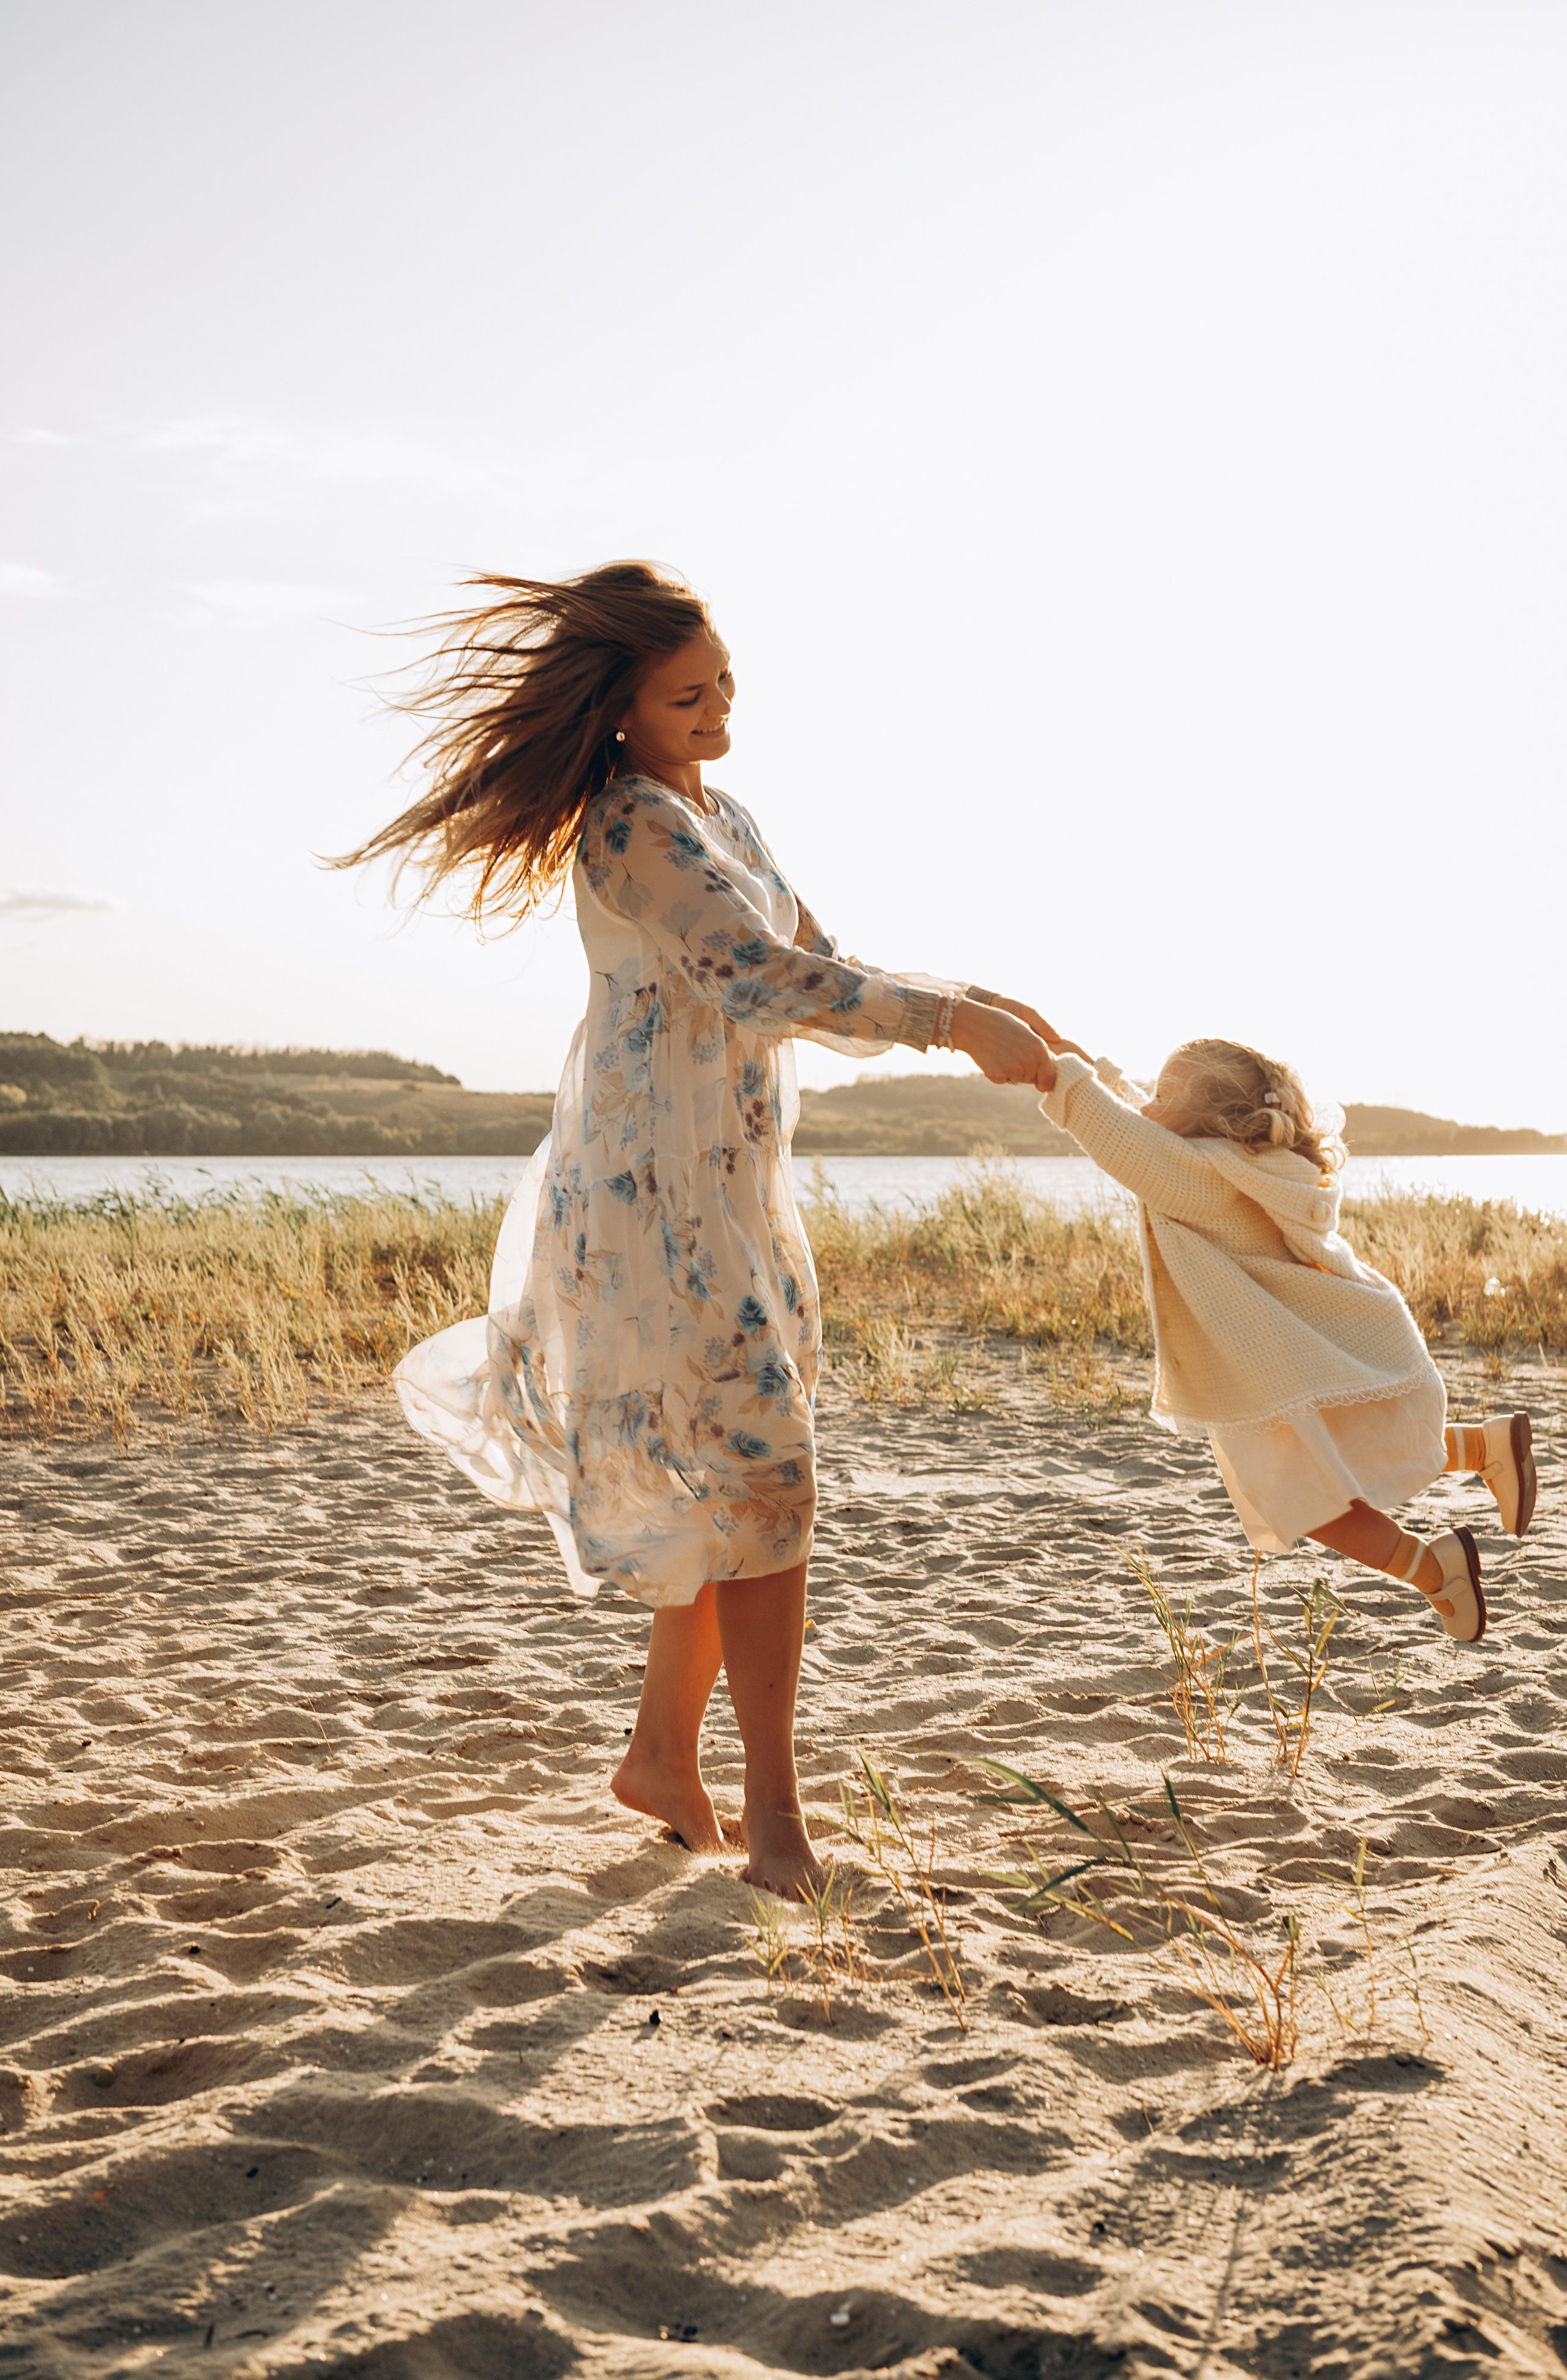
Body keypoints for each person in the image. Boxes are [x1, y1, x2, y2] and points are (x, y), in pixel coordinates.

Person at [337, 561, 1055, 1897]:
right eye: (687, 693)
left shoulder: (725, 815)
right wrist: (956, 1027)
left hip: (733, 1191)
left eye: (725, 682)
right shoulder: (629, 829)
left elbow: (818, 964)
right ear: (618, 707)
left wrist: (969, 996)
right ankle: (777, 1818)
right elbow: (755, 976)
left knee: (735, 1488)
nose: (718, 707)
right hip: (651, 1201)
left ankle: (661, 1757)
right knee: (774, 1488)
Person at [1033, 1035, 1537, 1641]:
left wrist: (1052, 1073)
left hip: (1262, 1371)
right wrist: (1079, 1061)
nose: (1149, 1102)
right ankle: (1484, 1449)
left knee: (1303, 1502)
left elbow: (1113, 1131)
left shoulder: (1190, 1174)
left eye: (1166, 1093)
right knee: (1348, 1452)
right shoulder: (1235, 1159)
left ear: (1212, 1119)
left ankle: (1437, 1570)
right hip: (1295, 1352)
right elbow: (1141, 1115)